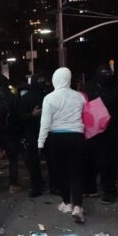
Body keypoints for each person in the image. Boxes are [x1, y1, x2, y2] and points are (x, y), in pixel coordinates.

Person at [38, 67, 86, 223]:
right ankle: (78, 206)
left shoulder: (49, 98)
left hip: (57, 138)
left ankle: (67, 203)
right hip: (77, 136)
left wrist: (40, 143)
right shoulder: (79, 97)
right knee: (76, 172)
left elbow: (45, 123)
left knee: (62, 172)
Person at [83, 64, 118, 204]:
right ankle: (90, 187)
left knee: (109, 162)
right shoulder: (89, 87)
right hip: (92, 130)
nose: (106, 77)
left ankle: (109, 190)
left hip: (111, 130)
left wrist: (110, 118)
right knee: (90, 159)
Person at [0, 75, 21, 193]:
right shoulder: (12, 97)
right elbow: (16, 116)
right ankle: (13, 185)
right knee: (13, 159)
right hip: (9, 133)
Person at [18, 74, 48, 197]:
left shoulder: (26, 98)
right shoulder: (48, 97)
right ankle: (53, 185)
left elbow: (20, 117)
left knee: (33, 161)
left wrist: (32, 115)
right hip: (46, 132)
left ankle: (37, 187)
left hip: (32, 133)